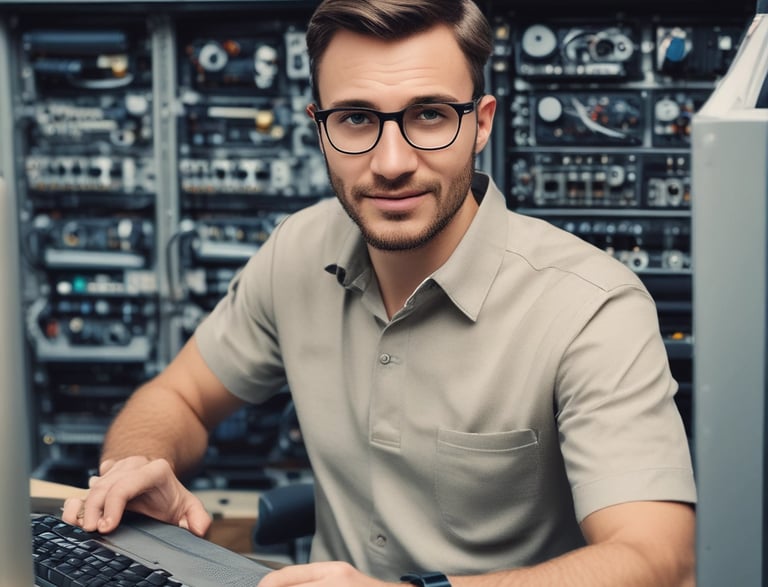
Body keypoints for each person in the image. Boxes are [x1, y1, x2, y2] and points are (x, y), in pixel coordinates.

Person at [62, 1, 697, 585]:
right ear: (319, 128)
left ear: (480, 124)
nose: (391, 161)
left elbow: (656, 559)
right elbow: (179, 396)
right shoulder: (299, 251)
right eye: (358, 118)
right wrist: (136, 465)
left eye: (428, 114)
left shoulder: (592, 307)